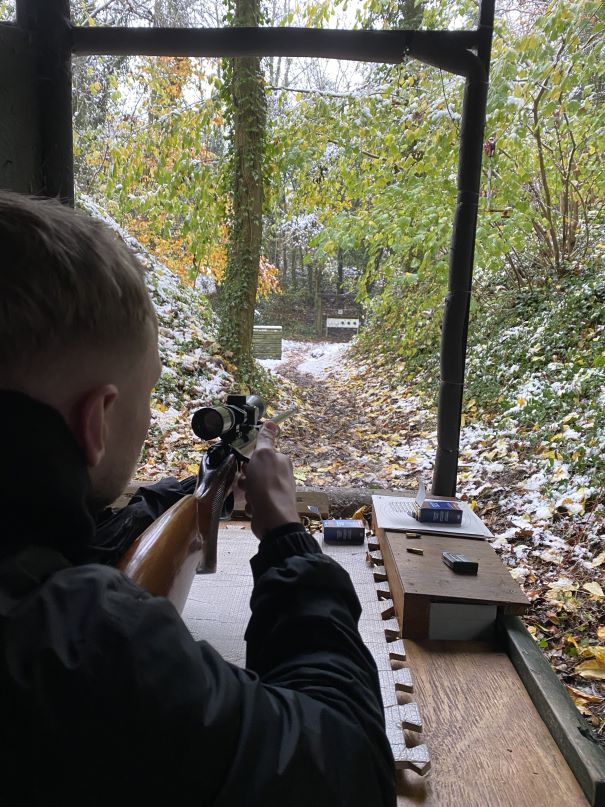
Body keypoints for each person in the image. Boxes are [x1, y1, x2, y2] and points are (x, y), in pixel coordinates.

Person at [0, 191, 396, 805]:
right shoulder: (85, 646)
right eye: (147, 391)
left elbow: (60, 546)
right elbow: (348, 765)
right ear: (96, 421)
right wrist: (288, 536)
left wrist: (187, 491)